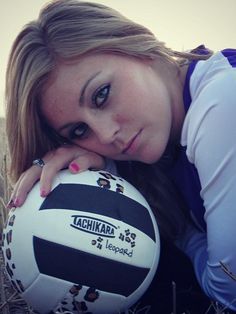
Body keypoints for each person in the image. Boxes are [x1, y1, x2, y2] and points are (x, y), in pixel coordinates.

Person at [5, 0, 236, 312]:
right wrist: (109, 177)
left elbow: (228, 290)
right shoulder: (165, 144)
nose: (104, 135)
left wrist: (176, 235)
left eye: (101, 95)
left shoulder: (222, 103)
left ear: (138, 48)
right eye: (78, 131)